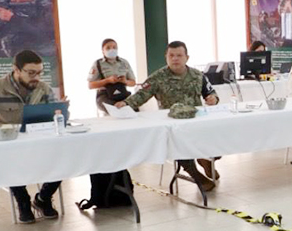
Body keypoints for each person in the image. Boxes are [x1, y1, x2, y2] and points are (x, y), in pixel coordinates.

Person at [0, 50, 62, 223]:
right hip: (9, 148)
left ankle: (43, 198)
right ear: (16, 70)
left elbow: (55, 115)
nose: (36, 77)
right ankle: (23, 201)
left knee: (63, 158)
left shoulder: (44, 89)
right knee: (9, 162)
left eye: (39, 73)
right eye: (31, 73)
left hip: (39, 145)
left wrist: (60, 112)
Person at [116, 41, 220, 191]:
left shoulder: (198, 75)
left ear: (187, 57)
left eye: (179, 55)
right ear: (166, 57)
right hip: (172, 124)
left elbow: (210, 92)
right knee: (177, 143)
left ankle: (205, 159)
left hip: (195, 121)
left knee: (218, 135)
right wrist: (125, 103)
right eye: (171, 55)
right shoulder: (158, 77)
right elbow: (140, 95)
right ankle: (196, 174)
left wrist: (213, 99)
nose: (175, 59)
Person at [88, 38, 136, 112]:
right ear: (103, 50)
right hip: (105, 95)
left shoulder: (124, 62)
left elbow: (133, 83)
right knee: (115, 109)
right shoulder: (97, 64)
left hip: (122, 93)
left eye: (114, 47)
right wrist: (107, 80)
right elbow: (90, 85)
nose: (112, 49)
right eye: (108, 48)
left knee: (134, 107)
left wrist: (125, 81)